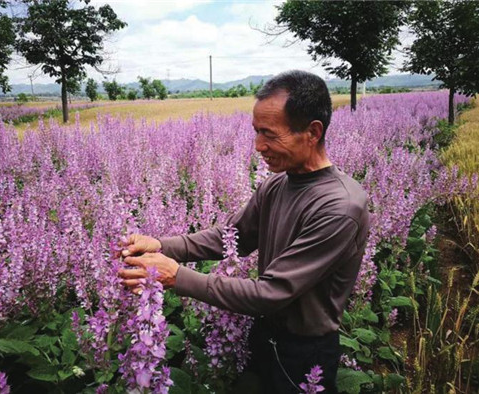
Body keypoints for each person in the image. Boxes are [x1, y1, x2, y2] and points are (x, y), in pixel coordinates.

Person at [119, 70, 370, 394]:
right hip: (262, 334)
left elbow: (270, 294)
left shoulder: (340, 207)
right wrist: (163, 246)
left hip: (304, 353)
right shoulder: (278, 182)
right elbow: (233, 236)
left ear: (312, 132)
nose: (258, 146)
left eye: (269, 134)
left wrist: (176, 277)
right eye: (256, 132)